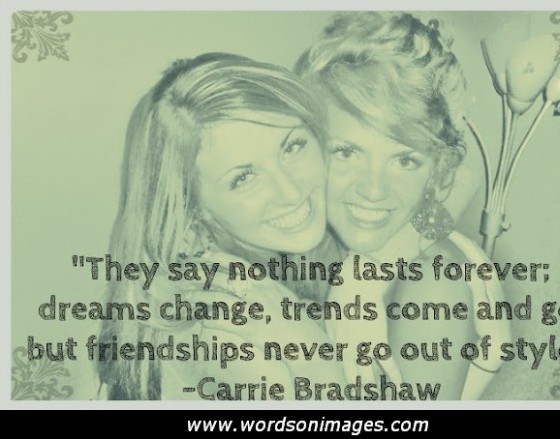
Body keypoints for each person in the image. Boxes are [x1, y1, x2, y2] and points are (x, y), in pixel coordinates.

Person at [97, 53, 346, 400]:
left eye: (292, 147)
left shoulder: (283, 263)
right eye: (243, 178)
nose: (291, 191)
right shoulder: (226, 332)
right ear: (193, 208)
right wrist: (311, 351)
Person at [296, 12, 511, 399]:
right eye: (346, 152)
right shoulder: (356, 245)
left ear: (438, 171)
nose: (374, 189)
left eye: (405, 160)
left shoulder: (433, 284)